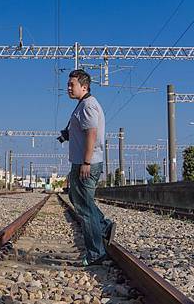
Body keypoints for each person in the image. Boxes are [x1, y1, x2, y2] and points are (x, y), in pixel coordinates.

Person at [63, 69, 115, 266]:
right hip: (81, 162)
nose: (68, 87)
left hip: (87, 163)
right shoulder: (83, 104)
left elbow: (91, 134)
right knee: (76, 198)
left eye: (72, 84)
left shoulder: (88, 105)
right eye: (68, 84)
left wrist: (86, 162)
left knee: (84, 209)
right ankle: (103, 225)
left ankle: (96, 253)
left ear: (84, 87)